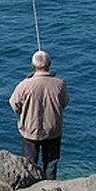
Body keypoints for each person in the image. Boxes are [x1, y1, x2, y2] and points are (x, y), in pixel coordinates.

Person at [9, 49, 69, 179]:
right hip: (53, 130)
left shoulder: (24, 85)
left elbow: (14, 104)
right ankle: (50, 188)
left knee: (30, 163)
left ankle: (32, 188)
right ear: (49, 64)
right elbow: (65, 103)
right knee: (51, 163)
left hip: (30, 130)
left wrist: (23, 113)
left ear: (33, 66)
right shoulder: (60, 84)